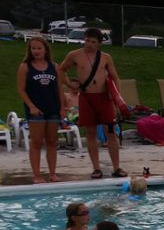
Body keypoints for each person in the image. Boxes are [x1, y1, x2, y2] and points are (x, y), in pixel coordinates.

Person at [59, 27, 126, 179]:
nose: (89, 44)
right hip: (87, 97)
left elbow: (115, 77)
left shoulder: (105, 57)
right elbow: (60, 70)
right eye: (87, 40)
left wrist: (117, 98)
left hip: (104, 97)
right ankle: (96, 168)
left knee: (110, 132)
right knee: (90, 133)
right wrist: (70, 85)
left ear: (99, 43)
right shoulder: (75, 55)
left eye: (93, 42)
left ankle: (116, 167)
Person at [18, 36, 68, 183]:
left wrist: (62, 107)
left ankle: (53, 173)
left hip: (52, 107)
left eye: (39, 48)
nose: (36, 51)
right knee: (37, 142)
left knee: (52, 141)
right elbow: (21, 89)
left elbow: (59, 88)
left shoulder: (54, 66)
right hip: (35, 110)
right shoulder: (25, 67)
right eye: (33, 48)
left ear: (45, 49)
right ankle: (37, 175)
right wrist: (31, 106)